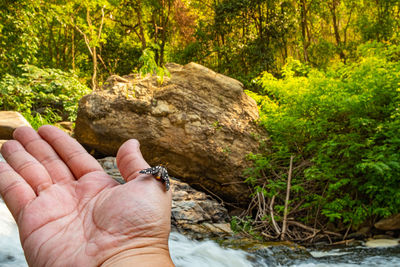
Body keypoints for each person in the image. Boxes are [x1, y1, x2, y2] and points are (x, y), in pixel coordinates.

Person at [0, 125, 174, 266]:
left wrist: (131, 248)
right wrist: (140, 249)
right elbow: (156, 175)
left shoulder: (156, 175)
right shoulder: (159, 175)